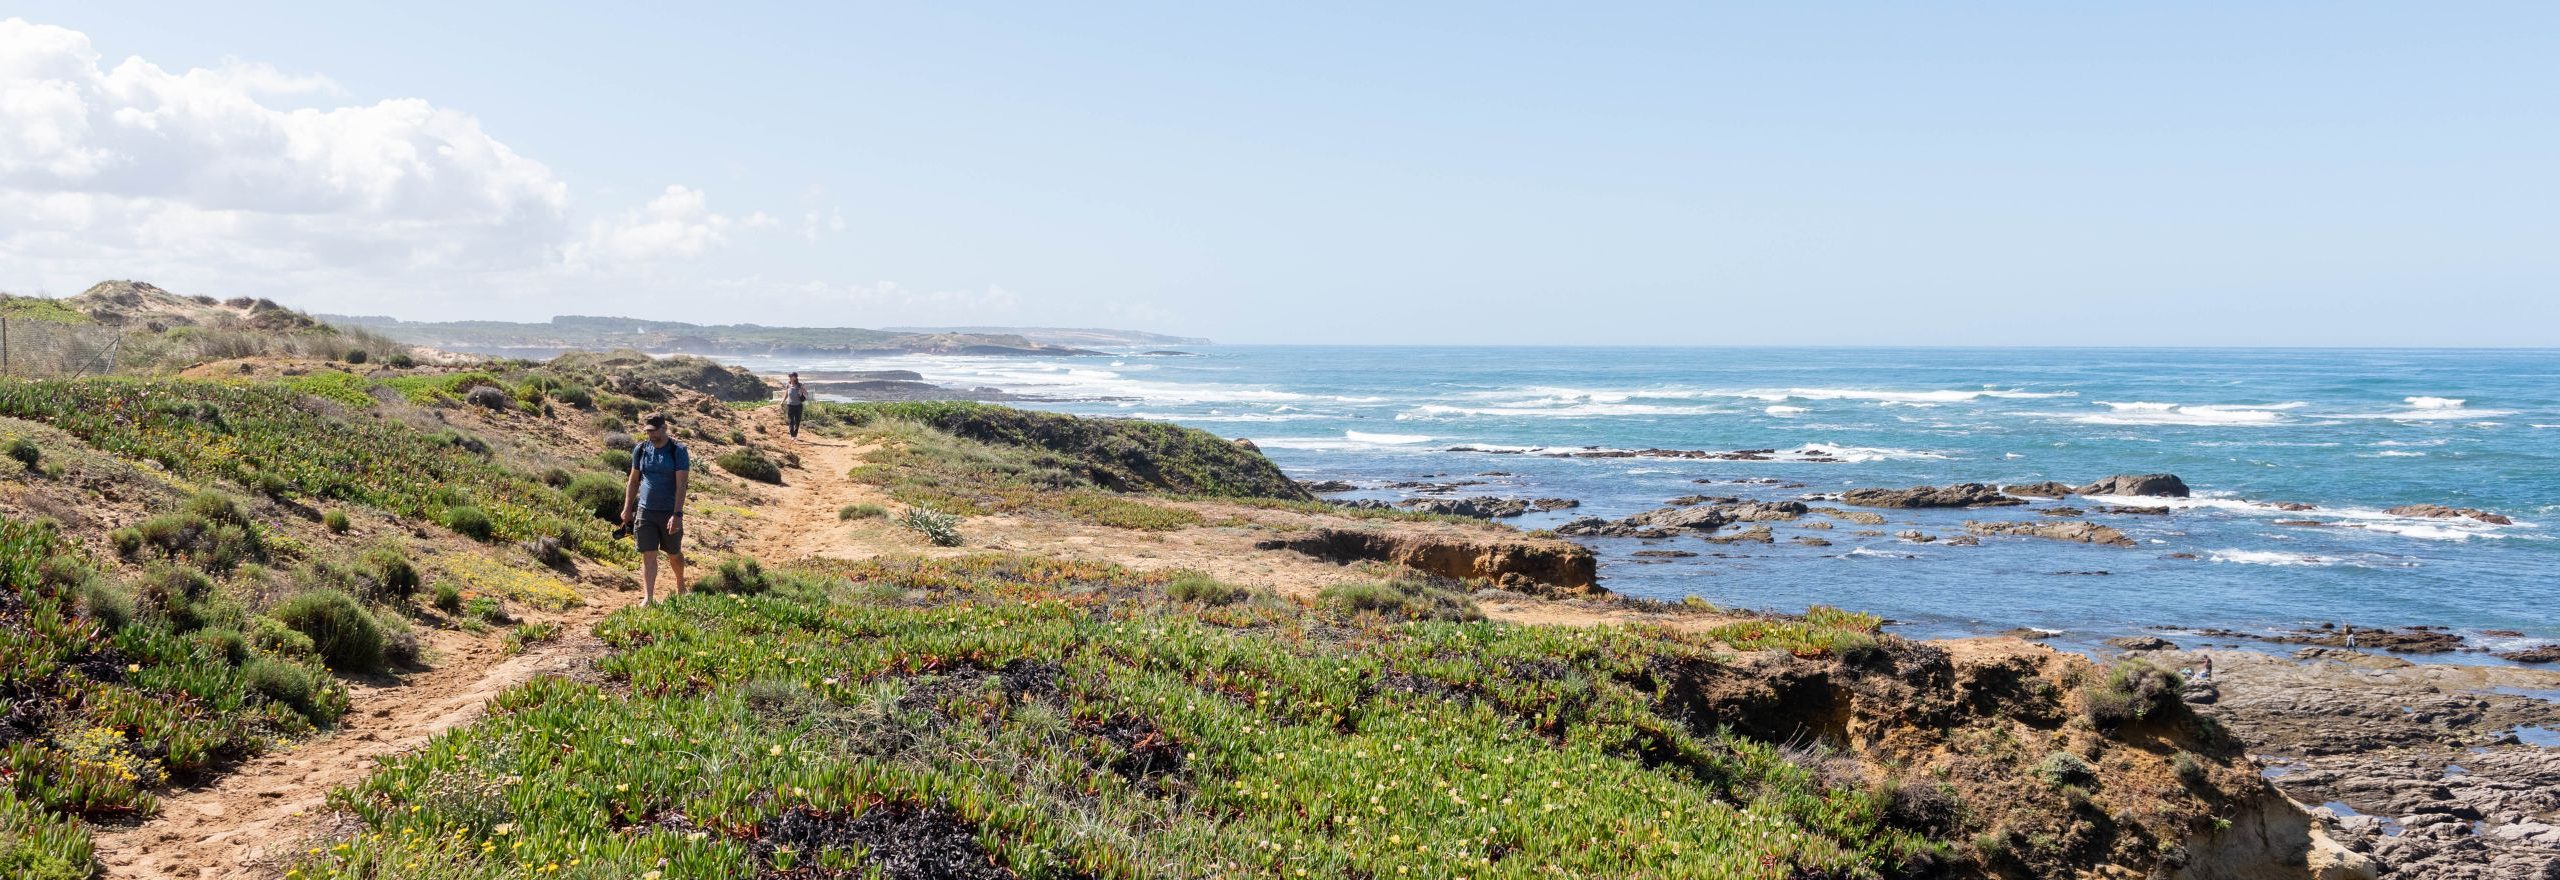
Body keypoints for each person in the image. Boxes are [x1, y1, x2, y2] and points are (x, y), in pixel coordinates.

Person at [621, 413, 691, 605]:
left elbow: (681, 484)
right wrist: (627, 508)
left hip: (669, 512)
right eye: (648, 431)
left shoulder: (678, 450)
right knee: (648, 553)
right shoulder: (641, 449)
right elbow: (633, 481)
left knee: (673, 553)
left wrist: (677, 514)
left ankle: (680, 584)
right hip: (645, 511)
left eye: (653, 431)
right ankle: (649, 597)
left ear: (664, 428)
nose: (650, 435)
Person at [783, 372, 809, 438]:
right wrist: (782, 401)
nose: (790, 378)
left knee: (797, 421)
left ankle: (795, 434)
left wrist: (801, 392)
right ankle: (792, 435)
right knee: (791, 420)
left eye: (791, 376)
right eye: (789, 376)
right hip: (790, 405)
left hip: (798, 406)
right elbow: (786, 394)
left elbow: (806, 393)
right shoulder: (788, 385)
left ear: (795, 377)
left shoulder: (800, 385)